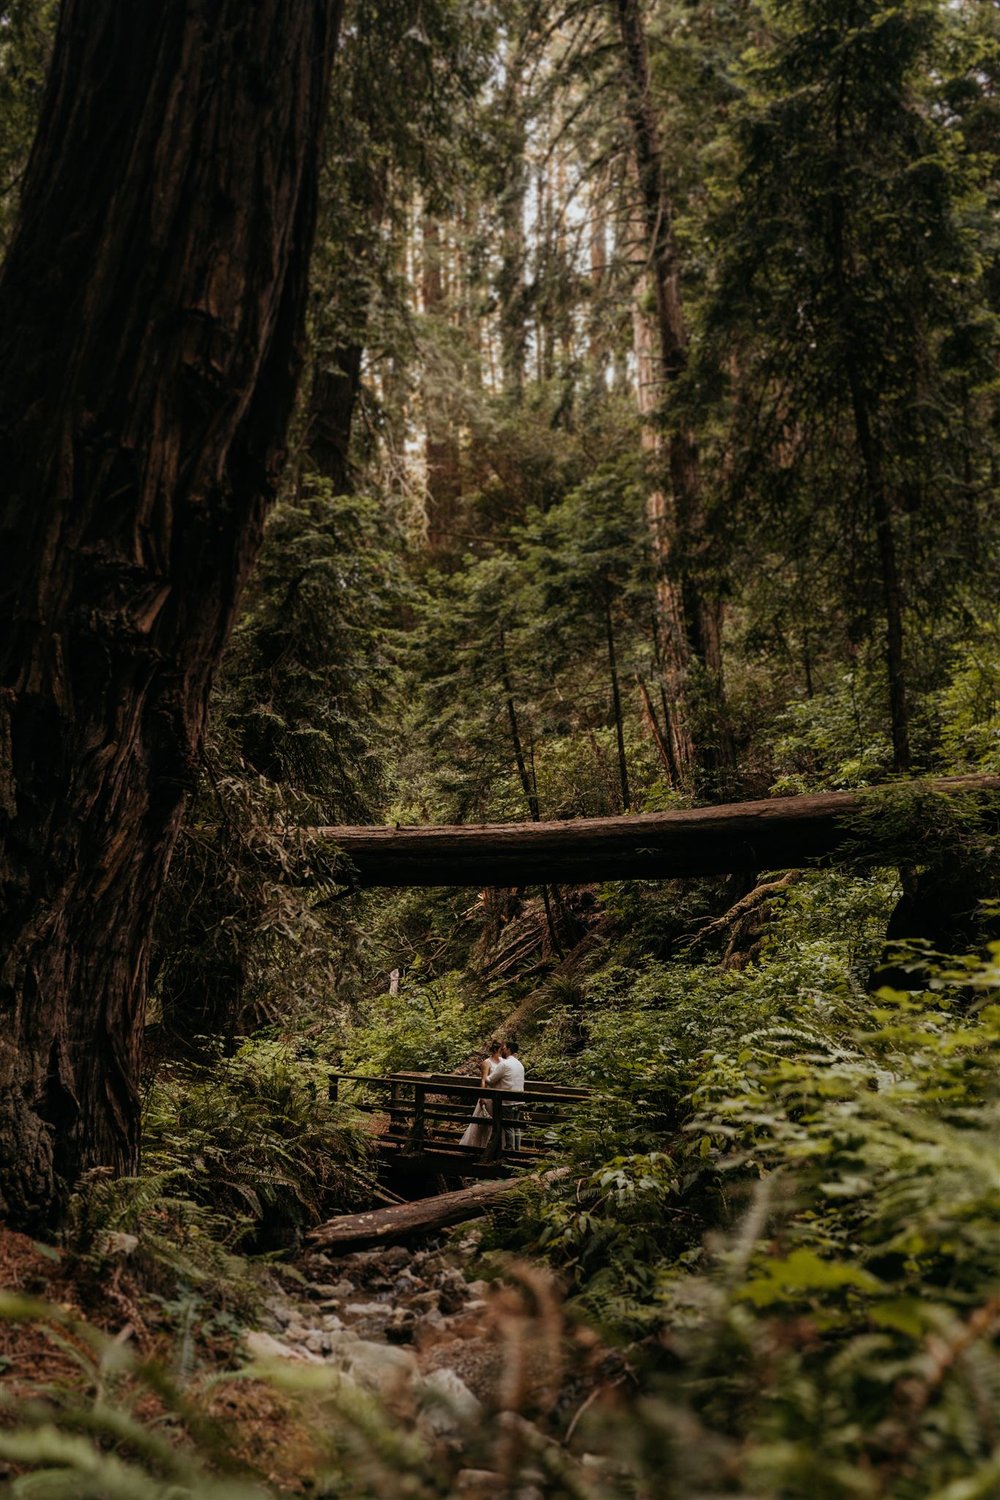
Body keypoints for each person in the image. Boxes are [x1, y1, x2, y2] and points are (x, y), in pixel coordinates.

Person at [459, 1040, 502, 1149]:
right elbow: (483, 1080)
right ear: (497, 1049)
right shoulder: (486, 1062)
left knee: (496, 1122)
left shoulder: (503, 1061)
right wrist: (482, 1096)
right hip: (488, 1095)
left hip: (499, 1095)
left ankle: (493, 1146)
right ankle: (477, 1146)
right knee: (483, 1123)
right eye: (502, 1048)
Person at [486, 1038, 526, 1152]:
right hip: (519, 1100)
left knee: (508, 1127)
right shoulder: (520, 1064)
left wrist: (484, 1074)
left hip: (507, 1101)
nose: (502, 1050)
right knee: (516, 1127)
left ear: (508, 1050)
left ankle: (510, 1151)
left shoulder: (505, 1064)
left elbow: (490, 1080)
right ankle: (517, 1151)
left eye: (503, 1048)